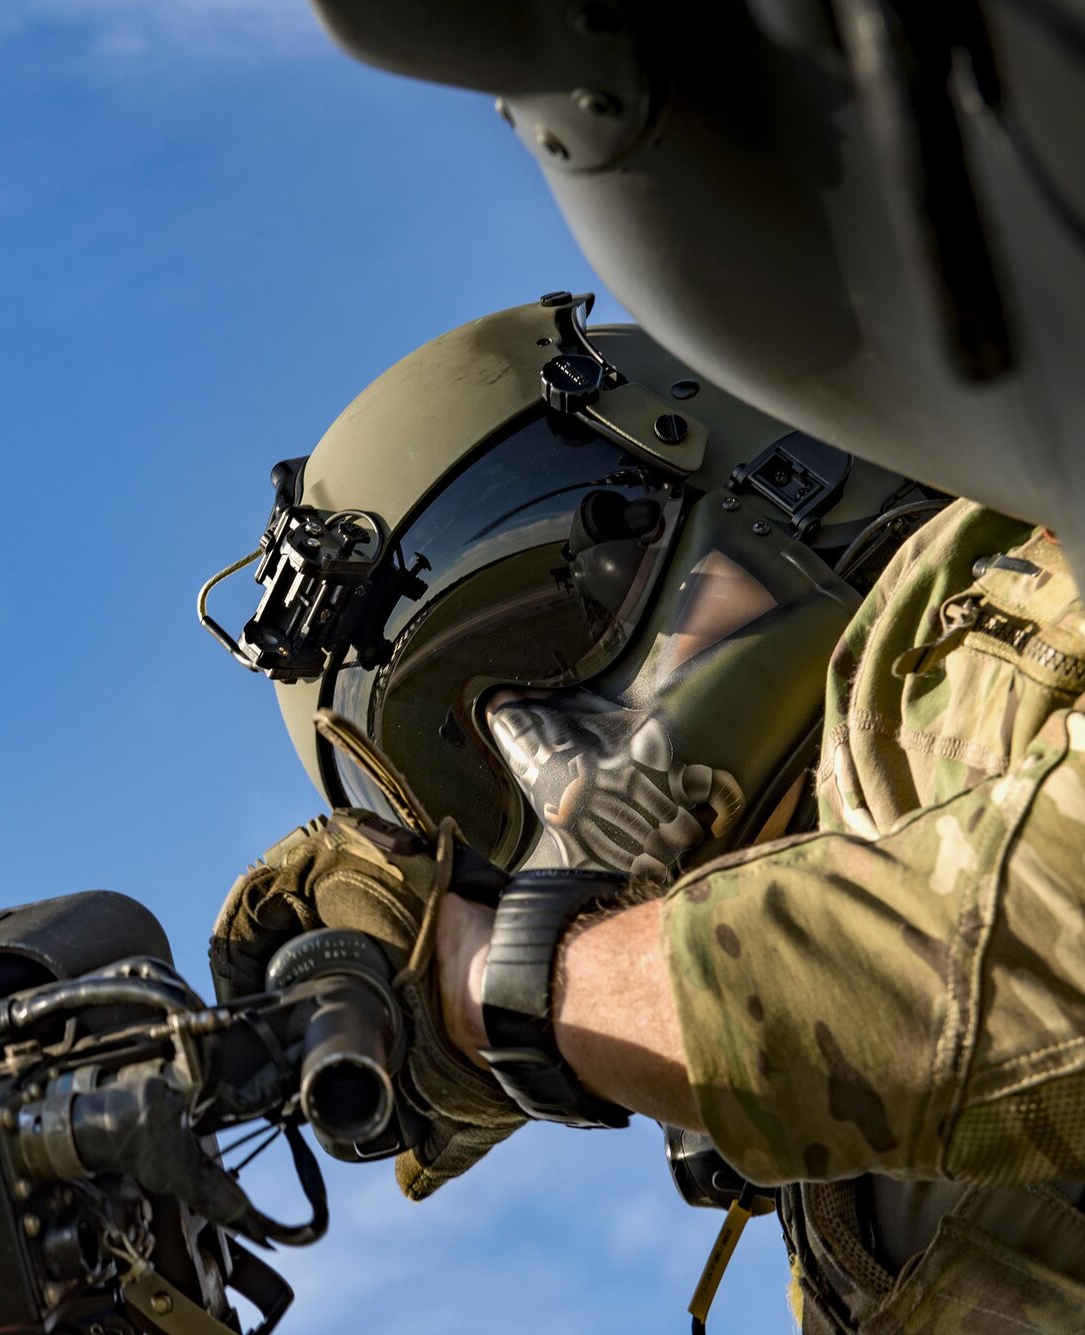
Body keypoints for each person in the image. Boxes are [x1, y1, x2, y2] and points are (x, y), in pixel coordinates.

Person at [207, 3, 1085, 1329]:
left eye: (548, 633)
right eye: (467, 795)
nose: (545, 764)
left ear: (757, 482)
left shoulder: (997, 591)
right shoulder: (838, 1191)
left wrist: (515, 993)